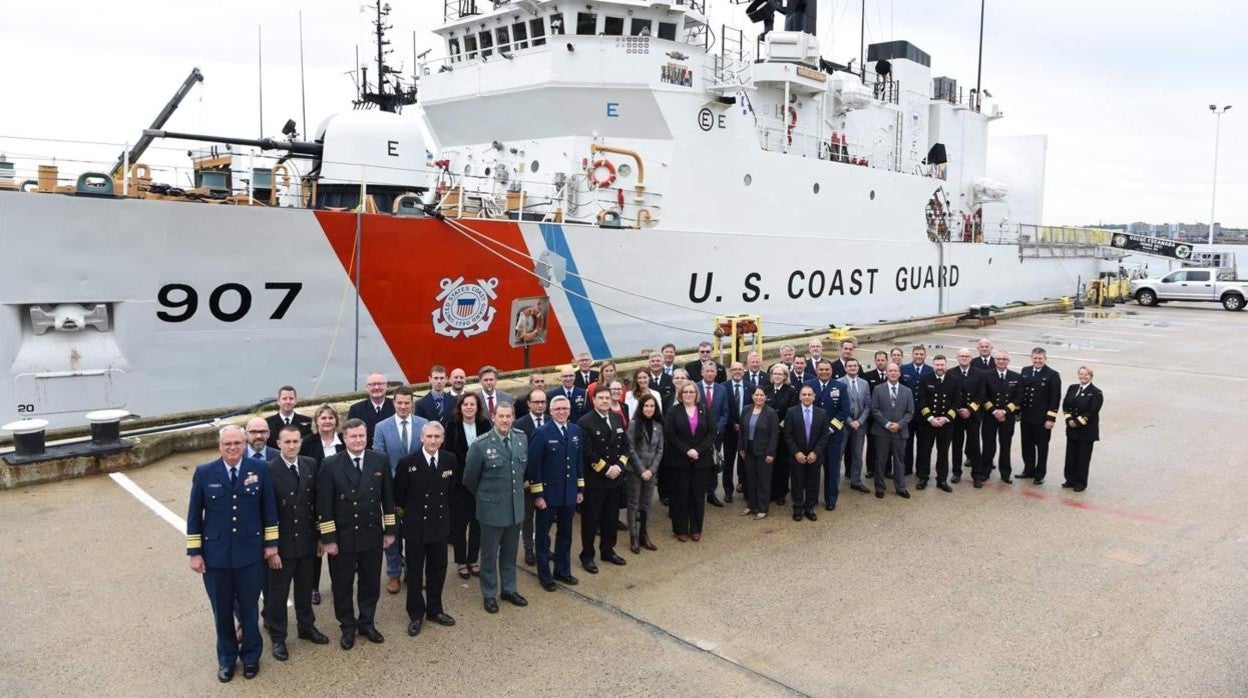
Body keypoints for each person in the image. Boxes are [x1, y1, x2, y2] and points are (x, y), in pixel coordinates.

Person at [187, 425, 280, 683]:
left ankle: (251, 657)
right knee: (222, 611)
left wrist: (271, 544)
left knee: (250, 610)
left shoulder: (259, 469)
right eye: (227, 444)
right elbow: (194, 516)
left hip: (250, 555)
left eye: (237, 443)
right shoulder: (205, 472)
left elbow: (268, 509)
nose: (232, 448)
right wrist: (194, 553)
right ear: (220, 446)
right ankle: (227, 659)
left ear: (244, 443)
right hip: (216, 557)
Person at [317, 418, 396, 650]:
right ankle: (347, 626)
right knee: (342, 585)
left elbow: (388, 499)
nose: (358, 440)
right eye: (353, 436)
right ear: (344, 438)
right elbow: (324, 505)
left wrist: (390, 530)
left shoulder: (379, 460)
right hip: (342, 537)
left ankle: (367, 622)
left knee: (370, 582)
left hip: (371, 533)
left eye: (362, 436)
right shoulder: (331, 464)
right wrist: (328, 539)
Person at [265, 425, 329, 661]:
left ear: (301, 443)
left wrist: (321, 537)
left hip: (307, 541)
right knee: (278, 594)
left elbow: (318, 504)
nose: (292, 446)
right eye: (287, 442)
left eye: (295, 442)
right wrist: (271, 549)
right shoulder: (269, 470)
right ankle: (279, 637)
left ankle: (306, 627)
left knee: (304, 588)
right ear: (278, 444)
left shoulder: (310, 464)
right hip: (281, 545)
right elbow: (267, 512)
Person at [464, 404, 530, 613]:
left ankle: (509, 589)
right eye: (500, 416)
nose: (505, 420)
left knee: (510, 553)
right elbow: (469, 479)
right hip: (491, 511)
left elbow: (521, 471)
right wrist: (487, 498)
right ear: (493, 418)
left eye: (508, 416)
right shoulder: (480, 445)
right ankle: (490, 593)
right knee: (489, 555)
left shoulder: (521, 438)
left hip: (515, 508)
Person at [393, 422, 456, 635]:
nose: (433, 441)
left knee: (438, 570)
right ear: (421, 438)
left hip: (439, 526)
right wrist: (407, 519)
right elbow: (399, 497)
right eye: (429, 436)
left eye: (437, 437)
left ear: (443, 438)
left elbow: (451, 492)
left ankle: (435, 610)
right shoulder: (407, 463)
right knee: (414, 573)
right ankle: (416, 614)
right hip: (415, 527)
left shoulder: (450, 460)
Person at [372, 386, 428, 594]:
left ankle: (414, 572)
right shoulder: (382, 427)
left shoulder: (423, 425)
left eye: (407, 403)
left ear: (412, 403)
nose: (403, 406)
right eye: (399, 403)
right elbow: (379, 458)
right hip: (392, 491)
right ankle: (394, 574)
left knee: (416, 535)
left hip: (417, 489)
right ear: (394, 403)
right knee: (392, 534)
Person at [526, 395, 585, 592]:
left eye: (564, 408)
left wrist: (580, 489)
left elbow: (578, 463)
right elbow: (534, 467)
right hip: (548, 497)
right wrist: (538, 495)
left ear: (569, 410)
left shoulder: (575, 430)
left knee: (566, 535)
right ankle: (545, 576)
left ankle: (562, 570)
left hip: (569, 494)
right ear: (551, 411)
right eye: (557, 409)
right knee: (543, 537)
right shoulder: (541, 433)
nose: (561, 411)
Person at [576, 387, 630, 572]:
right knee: (591, 521)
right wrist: (606, 469)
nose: (605, 401)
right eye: (601, 398)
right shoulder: (585, 422)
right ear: (593, 399)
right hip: (596, 481)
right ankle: (587, 555)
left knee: (611, 518)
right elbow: (587, 452)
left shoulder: (616, 417)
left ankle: (608, 550)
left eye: (608, 397)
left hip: (615, 479)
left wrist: (619, 467)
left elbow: (625, 445)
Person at [299, 404, 345, 605]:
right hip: (314, 501)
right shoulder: (309, 443)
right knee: (316, 547)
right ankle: (313, 587)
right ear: (316, 421)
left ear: (336, 420)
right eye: (323, 418)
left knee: (338, 546)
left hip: (341, 502)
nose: (327, 421)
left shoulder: (344, 442)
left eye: (330, 418)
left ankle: (338, 584)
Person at [444, 393, 491, 580]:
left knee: (477, 523)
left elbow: (490, 450)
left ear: (478, 407)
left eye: (473, 404)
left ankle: (473, 559)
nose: (469, 407)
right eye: (466, 404)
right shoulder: (452, 425)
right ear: (460, 407)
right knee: (459, 524)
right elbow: (448, 453)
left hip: (481, 483)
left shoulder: (485, 425)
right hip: (459, 484)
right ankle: (461, 561)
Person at [663, 383, 716, 541]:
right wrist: (687, 450)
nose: (688, 394)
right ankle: (680, 529)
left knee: (698, 496)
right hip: (679, 461)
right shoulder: (674, 411)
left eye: (691, 391)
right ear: (680, 394)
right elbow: (671, 435)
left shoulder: (705, 410)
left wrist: (698, 451)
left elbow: (712, 433)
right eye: (685, 391)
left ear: (696, 393)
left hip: (701, 461)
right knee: (680, 495)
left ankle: (695, 528)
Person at [808, 360, 850, 511]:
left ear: (831, 371)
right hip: (812, 437)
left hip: (833, 436)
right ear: (816, 370)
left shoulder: (841, 386)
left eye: (827, 369)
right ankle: (811, 499)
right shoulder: (809, 385)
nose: (824, 372)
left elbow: (844, 411)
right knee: (812, 470)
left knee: (832, 470)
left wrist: (831, 428)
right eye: (821, 369)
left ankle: (831, 499)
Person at [513, 389, 548, 566]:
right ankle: (528, 549)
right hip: (528, 481)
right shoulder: (519, 424)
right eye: (537, 402)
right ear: (529, 404)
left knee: (546, 516)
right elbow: (516, 455)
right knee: (528, 517)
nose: (540, 405)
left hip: (548, 481)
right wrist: (523, 480)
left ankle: (544, 546)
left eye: (543, 402)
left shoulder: (551, 420)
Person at [784, 385, 830, 521]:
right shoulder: (791, 412)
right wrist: (796, 452)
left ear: (814, 397)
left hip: (814, 456)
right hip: (797, 456)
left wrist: (815, 452)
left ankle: (809, 507)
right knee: (797, 482)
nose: (807, 397)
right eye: (804, 394)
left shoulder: (822, 413)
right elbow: (788, 435)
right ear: (799, 396)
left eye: (809, 395)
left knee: (813, 482)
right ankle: (797, 508)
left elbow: (825, 435)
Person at [915, 355, 960, 493]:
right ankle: (923, 478)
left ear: (946, 365)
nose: (940, 368)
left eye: (942, 365)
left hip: (946, 424)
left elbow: (957, 402)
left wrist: (945, 418)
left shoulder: (954, 379)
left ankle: (941, 480)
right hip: (928, 423)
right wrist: (931, 418)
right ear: (933, 365)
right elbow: (921, 400)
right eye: (937, 365)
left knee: (943, 453)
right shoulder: (925, 378)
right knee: (924, 452)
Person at [1018, 347, 1062, 484]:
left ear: (1045, 359)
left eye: (1040, 358)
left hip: (1042, 419)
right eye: (1035, 358)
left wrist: (1051, 418)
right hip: (1026, 417)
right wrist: (1017, 413)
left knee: (1042, 447)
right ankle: (1028, 469)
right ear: (1031, 358)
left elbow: (1055, 398)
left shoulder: (1052, 375)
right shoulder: (1025, 371)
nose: (1037, 361)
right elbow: (1020, 393)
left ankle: (1040, 474)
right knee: (1027, 445)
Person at [977, 351, 1021, 487]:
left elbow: (1019, 398)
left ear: (1008, 361)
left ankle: (1005, 473)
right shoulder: (986, 375)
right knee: (988, 445)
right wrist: (995, 411)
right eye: (999, 359)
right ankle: (985, 471)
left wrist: (1005, 412)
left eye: (1004, 359)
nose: (1001, 361)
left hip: (1007, 418)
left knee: (1005, 445)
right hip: (990, 416)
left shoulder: (1016, 376)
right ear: (995, 361)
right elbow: (983, 396)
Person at [625, 394, 663, 552]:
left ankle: (644, 535)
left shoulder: (658, 425)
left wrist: (651, 470)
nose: (649, 409)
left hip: (651, 472)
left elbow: (660, 450)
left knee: (646, 504)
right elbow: (630, 449)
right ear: (641, 408)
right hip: (635, 471)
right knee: (633, 504)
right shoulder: (633, 424)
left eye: (652, 406)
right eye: (646, 406)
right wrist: (641, 470)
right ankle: (633, 537)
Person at [870, 363, 913, 499]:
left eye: (895, 371)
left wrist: (899, 425)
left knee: (899, 461)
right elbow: (874, 409)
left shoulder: (907, 391)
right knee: (881, 460)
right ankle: (880, 487)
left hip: (900, 432)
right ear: (887, 373)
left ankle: (900, 487)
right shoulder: (878, 389)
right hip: (882, 432)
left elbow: (910, 412)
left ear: (899, 373)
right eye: (890, 371)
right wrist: (887, 424)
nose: (893, 373)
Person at [738, 386, 779, 518]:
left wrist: (771, 453)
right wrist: (741, 448)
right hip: (748, 449)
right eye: (756, 395)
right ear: (752, 396)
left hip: (764, 451)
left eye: (761, 395)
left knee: (764, 480)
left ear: (766, 397)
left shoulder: (771, 413)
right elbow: (742, 431)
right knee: (750, 479)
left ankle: (763, 508)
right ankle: (751, 505)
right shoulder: (746, 409)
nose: (759, 397)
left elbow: (774, 435)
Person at [1061, 366, 1103, 492]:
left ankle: (1080, 482)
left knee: (1083, 458)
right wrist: (1069, 420)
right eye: (1081, 374)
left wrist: (1077, 422)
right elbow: (1065, 405)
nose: (1083, 376)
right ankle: (1070, 479)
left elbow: (1092, 411)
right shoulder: (1072, 388)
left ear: (1091, 376)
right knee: (1071, 455)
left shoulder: (1096, 392)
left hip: (1086, 431)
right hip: (1072, 429)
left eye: (1086, 374)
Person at [695, 362, 729, 507]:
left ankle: (711, 493)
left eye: (712, 371)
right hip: (698, 435)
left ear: (716, 373)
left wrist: (717, 428)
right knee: (698, 464)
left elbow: (725, 412)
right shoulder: (694, 388)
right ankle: (697, 493)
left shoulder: (722, 389)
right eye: (707, 371)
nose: (709, 374)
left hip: (715, 435)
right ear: (702, 372)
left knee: (713, 464)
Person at [762, 363, 796, 505]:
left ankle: (781, 492)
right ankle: (770, 492)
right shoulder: (765, 389)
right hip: (767, 434)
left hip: (782, 433)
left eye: (780, 374)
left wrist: (778, 427)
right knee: (769, 464)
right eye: (775, 374)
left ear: (785, 376)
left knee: (782, 464)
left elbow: (790, 412)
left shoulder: (791, 391)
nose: (777, 376)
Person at [838, 358, 872, 493]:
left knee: (858, 454)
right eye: (850, 366)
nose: (852, 368)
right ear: (845, 368)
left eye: (855, 365)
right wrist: (850, 421)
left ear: (858, 367)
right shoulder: (839, 383)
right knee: (839, 454)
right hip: (844, 424)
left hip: (860, 424)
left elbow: (868, 405)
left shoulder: (864, 383)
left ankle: (856, 481)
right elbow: (839, 406)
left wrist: (859, 421)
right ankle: (834, 483)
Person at [950, 349, 983, 483]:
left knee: (974, 446)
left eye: (966, 356)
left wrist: (969, 409)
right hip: (957, 417)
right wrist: (958, 409)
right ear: (957, 357)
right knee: (956, 445)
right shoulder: (951, 373)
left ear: (970, 358)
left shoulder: (979, 374)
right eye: (961, 356)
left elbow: (982, 394)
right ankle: (956, 473)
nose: (964, 358)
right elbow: (949, 395)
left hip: (973, 416)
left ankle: (977, 475)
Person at [900, 345, 933, 475]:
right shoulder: (903, 369)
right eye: (916, 354)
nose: (918, 356)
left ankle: (922, 471)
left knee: (923, 446)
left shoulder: (931, 371)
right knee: (907, 444)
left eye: (921, 354)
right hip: (907, 415)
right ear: (912, 355)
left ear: (925, 356)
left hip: (924, 415)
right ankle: (906, 468)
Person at [722, 361, 750, 504]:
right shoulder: (723, 388)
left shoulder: (750, 387)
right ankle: (728, 491)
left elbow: (753, 408)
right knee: (728, 461)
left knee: (744, 460)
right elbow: (723, 409)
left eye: (740, 369)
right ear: (730, 371)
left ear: (743, 371)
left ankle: (744, 487)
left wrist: (743, 425)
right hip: (729, 430)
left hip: (745, 431)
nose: (737, 372)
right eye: (734, 369)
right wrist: (733, 423)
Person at [347, 372, 395, 448]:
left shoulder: (396, 407)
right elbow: (351, 436)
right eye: (372, 384)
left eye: (380, 384)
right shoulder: (356, 410)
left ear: (387, 386)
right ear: (366, 387)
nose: (376, 387)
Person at [862, 350, 889, 478]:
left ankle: (887, 469)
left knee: (888, 445)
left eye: (882, 360)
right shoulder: (868, 376)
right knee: (872, 444)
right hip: (873, 418)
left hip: (888, 417)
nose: (880, 362)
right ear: (875, 361)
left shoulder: (892, 374)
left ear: (886, 361)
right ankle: (871, 469)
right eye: (878, 360)